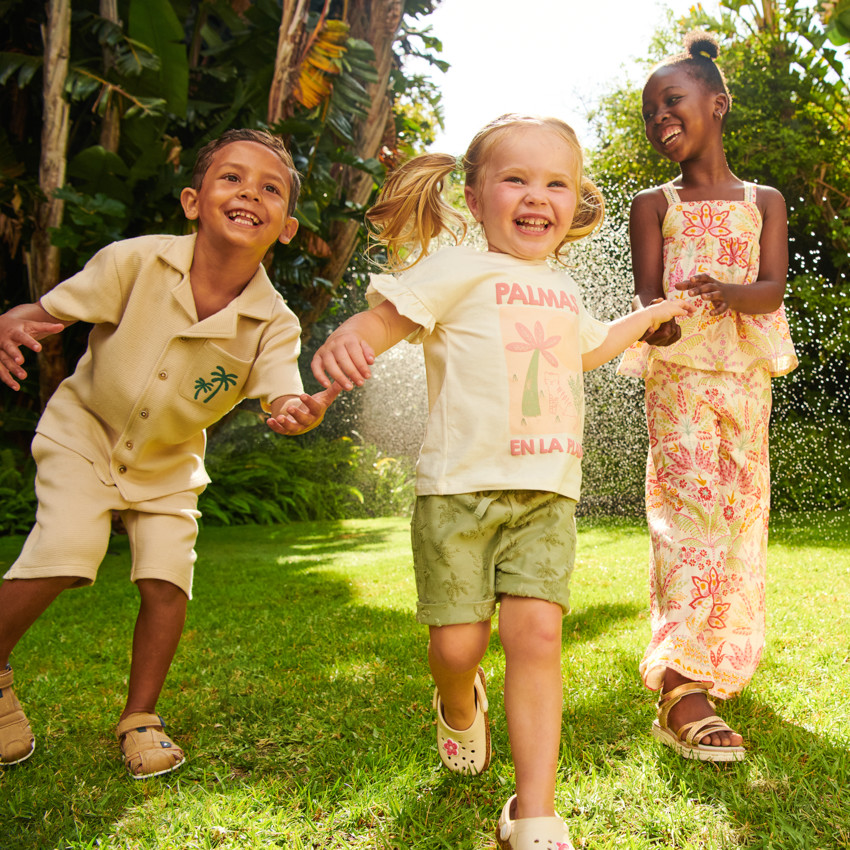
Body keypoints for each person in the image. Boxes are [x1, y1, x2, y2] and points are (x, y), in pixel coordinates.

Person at [311, 114, 693, 850]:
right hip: (457, 490)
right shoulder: (455, 267)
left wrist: (646, 318)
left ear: (575, 200)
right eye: (515, 179)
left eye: (557, 182)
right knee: (457, 645)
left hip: (547, 490)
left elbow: (588, 349)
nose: (536, 196)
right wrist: (348, 341)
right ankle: (458, 699)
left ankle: (535, 810)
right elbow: (387, 322)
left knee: (537, 634)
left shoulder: (560, 287)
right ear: (476, 193)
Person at [0, 128, 339, 778]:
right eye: (232, 178)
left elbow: (280, 397)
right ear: (192, 200)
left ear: (287, 228)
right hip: (84, 432)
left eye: (270, 189)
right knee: (67, 552)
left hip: (169, 464)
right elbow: (46, 312)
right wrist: (13, 323)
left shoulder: (274, 321)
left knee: (166, 581)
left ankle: (140, 718)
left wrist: (294, 413)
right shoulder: (137, 261)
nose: (249, 194)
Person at [617, 32, 798, 762]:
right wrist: (657, 328)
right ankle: (681, 684)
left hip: (745, 383)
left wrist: (726, 292)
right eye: (650, 111)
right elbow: (647, 296)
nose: (660, 118)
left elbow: (772, 287)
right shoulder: (652, 203)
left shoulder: (765, 201)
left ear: (717, 104)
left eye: (673, 102)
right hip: (683, 384)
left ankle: (714, 658)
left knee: (736, 519)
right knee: (686, 515)